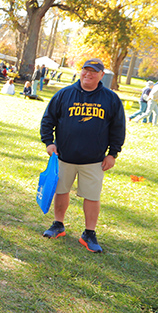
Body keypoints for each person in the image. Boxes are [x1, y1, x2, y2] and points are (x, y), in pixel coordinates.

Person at [40, 58, 126, 253]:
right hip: (64, 157)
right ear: (80, 72)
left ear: (101, 75)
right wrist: (49, 142)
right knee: (60, 191)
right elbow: (48, 120)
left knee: (92, 197)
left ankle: (89, 233)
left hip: (94, 160)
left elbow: (118, 128)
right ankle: (58, 225)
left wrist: (113, 153)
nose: (88, 74)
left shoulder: (110, 99)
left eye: (94, 71)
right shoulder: (64, 94)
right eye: (85, 70)